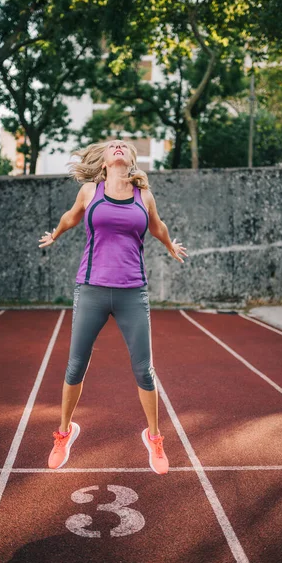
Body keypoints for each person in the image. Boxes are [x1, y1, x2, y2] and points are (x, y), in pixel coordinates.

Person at [38, 140, 188, 475]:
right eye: (113, 146)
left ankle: (154, 437)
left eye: (124, 146)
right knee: (75, 366)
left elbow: (157, 226)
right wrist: (57, 234)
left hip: (132, 292)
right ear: (105, 161)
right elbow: (71, 217)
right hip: (90, 288)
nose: (118, 147)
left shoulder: (143, 197)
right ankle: (64, 433)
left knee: (144, 370)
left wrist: (168, 243)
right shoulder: (91, 191)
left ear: (131, 160)